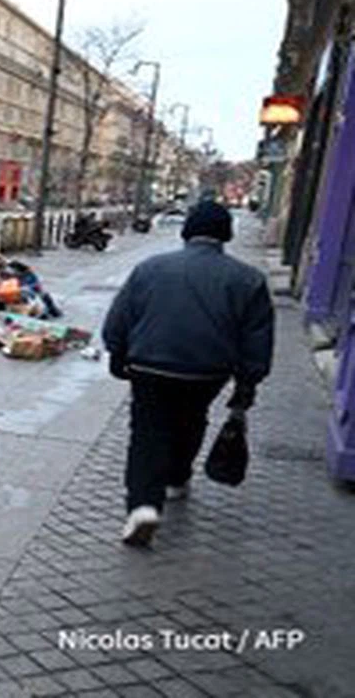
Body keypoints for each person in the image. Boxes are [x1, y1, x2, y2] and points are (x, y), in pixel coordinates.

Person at [102, 200, 274, 547]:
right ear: (226, 234)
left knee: (148, 433)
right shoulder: (249, 279)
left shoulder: (150, 268)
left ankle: (143, 508)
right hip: (207, 372)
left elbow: (119, 318)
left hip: (149, 365)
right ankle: (177, 479)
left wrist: (117, 352)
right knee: (192, 420)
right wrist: (248, 381)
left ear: (187, 231)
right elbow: (257, 337)